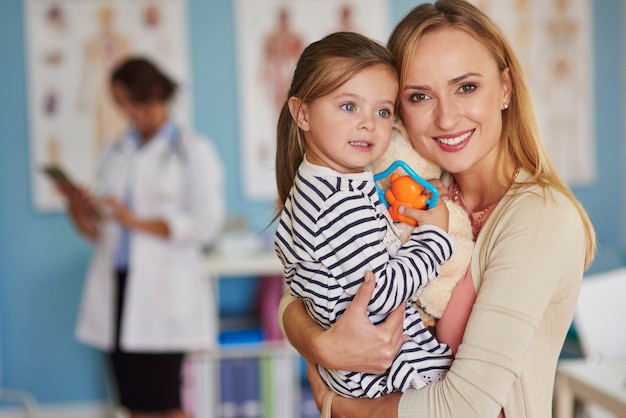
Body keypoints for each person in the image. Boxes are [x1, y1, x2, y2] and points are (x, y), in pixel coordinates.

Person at [278, 1, 597, 417]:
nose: (446, 118)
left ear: (505, 87)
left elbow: (465, 407)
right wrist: (322, 345)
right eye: (419, 96)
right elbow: (304, 289)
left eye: (466, 87)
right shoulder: (409, 187)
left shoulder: (541, 219)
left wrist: (337, 405)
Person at [273, 31, 455, 400]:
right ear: (302, 113)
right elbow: (380, 295)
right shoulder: (337, 204)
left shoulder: (317, 189)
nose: (369, 123)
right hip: (396, 375)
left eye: (383, 111)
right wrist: (435, 237)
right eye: (349, 106)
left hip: (362, 375)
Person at [60, 57, 225, 418]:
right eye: (120, 103)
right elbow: (98, 232)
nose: (128, 111)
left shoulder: (194, 152)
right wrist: (77, 208)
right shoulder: (115, 152)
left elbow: (205, 224)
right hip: (117, 290)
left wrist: (133, 220)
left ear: (156, 95)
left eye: (132, 101)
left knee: (166, 404)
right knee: (133, 405)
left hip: (159, 295)